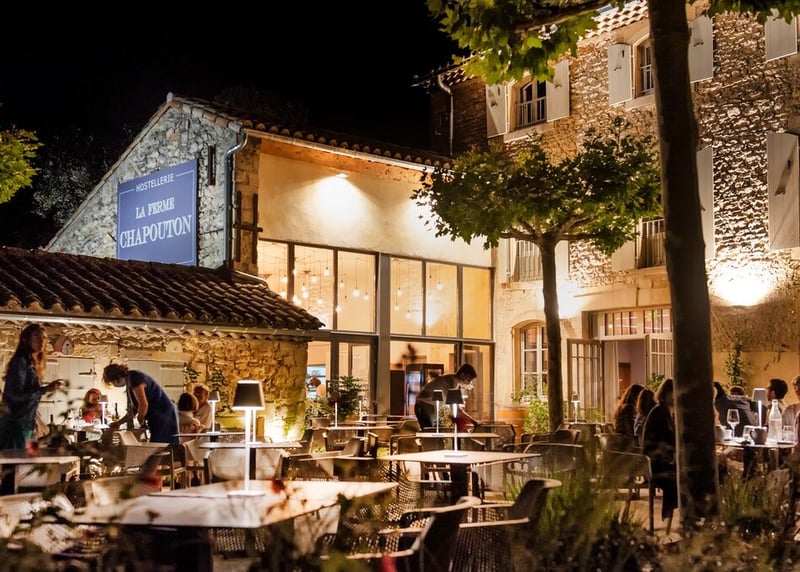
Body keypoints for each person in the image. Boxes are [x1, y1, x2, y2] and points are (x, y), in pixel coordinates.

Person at [0, 324, 64, 450]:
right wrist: (45, 389)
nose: (41, 340)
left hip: (27, 424)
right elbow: (15, 395)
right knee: (16, 460)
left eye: (44, 337)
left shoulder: (33, 364)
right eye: (36, 336)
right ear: (26, 339)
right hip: (15, 425)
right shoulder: (21, 362)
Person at [103, 363, 179, 445]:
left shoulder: (135, 378)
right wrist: (119, 423)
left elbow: (143, 404)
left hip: (163, 414)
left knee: (160, 444)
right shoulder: (130, 382)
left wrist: (140, 419)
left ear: (116, 378)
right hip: (158, 415)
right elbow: (133, 410)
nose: (114, 385)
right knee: (158, 443)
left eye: (112, 382)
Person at [641, 377, 677, 532]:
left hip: (660, 460)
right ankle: (681, 516)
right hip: (655, 464)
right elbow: (664, 442)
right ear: (666, 394)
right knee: (682, 478)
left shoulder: (666, 412)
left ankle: (676, 516)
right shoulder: (660, 413)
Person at [414, 364, 478, 430]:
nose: (469, 382)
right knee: (430, 431)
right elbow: (456, 409)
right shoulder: (452, 382)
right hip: (426, 406)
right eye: (469, 379)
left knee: (430, 430)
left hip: (424, 406)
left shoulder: (449, 379)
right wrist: (473, 421)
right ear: (462, 374)